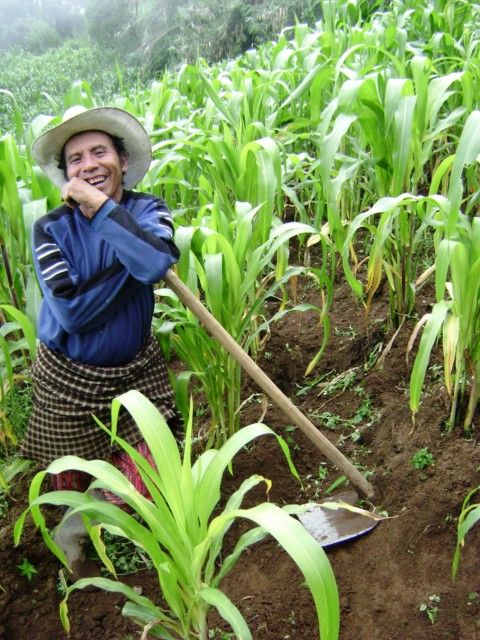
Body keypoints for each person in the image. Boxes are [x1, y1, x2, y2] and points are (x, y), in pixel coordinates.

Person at [21, 106, 182, 578]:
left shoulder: (148, 208)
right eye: (75, 159)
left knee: (152, 475)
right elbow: (71, 312)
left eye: (99, 152)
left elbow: (155, 263)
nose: (88, 164)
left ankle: (91, 513)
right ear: (65, 173)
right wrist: (136, 265)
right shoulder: (49, 229)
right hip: (68, 378)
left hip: (136, 370)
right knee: (66, 475)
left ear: (123, 162)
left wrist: (105, 213)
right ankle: (75, 517)